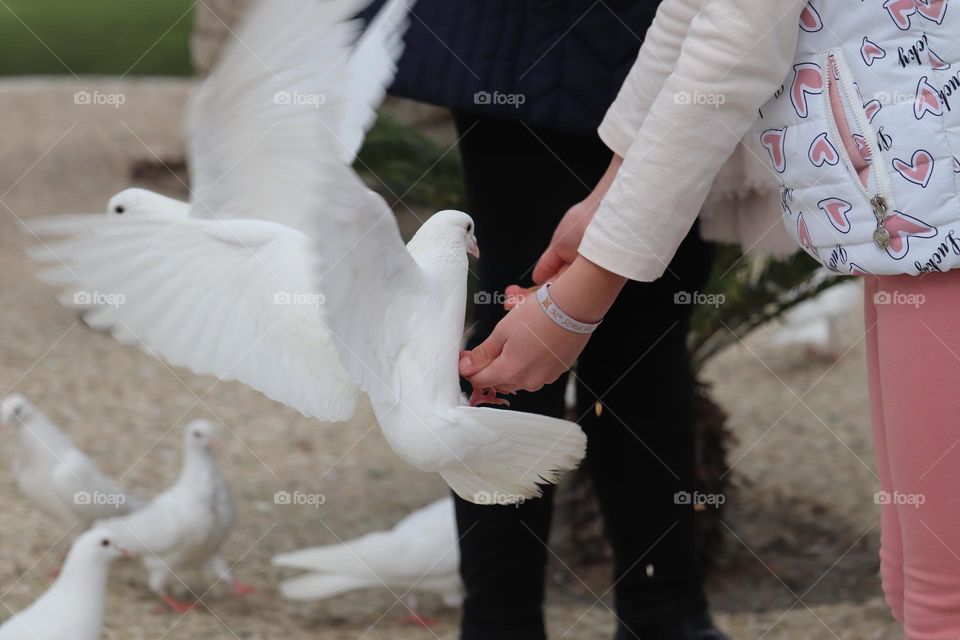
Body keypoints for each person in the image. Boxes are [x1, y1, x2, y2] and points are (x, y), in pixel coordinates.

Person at [459, 1, 960, 638]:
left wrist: (575, 304)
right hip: (916, 216)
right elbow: (702, 9)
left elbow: (735, 34)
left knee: (945, 602)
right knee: (921, 586)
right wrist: (608, 191)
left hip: (936, 213)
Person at [362, 1, 733, 638]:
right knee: (512, 332)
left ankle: (666, 614)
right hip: (539, 41)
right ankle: (501, 622)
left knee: (646, 341)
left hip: (691, 48)